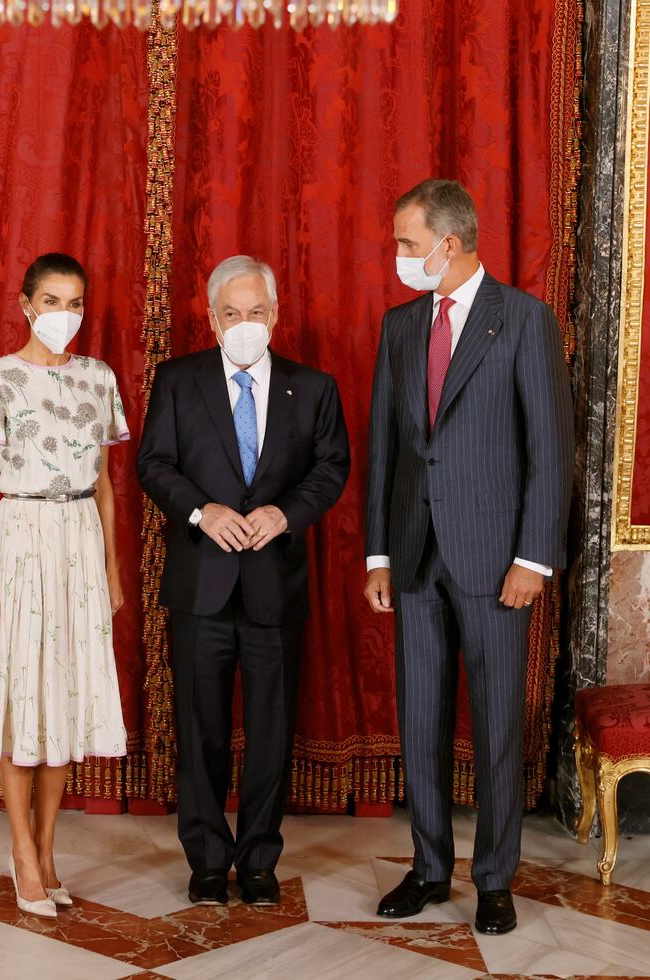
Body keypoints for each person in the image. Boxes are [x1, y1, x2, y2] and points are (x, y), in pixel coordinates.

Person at [364, 180, 573, 935]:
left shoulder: (523, 321)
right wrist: (379, 555)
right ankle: (427, 869)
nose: (399, 257)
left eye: (408, 245)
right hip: (415, 558)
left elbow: (550, 452)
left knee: (494, 729)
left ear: (449, 244)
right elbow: (385, 448)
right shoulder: (398, 327)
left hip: (496, 565)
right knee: (420, 722)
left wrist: (534, 559)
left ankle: (493, 879)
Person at [137, 255, 350, 907]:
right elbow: (154, 463)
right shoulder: (178, 381)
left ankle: (258, 858)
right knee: (199, 730)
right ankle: (206, 859)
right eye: (232, 313)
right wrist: (204, 511)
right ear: (211, 317)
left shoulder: (312, 388)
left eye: (257, 312)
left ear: (275, 314)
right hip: (202, 586)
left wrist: (287, 513)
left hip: (273, 588)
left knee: (270, 730)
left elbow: (331, 467)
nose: (245, 323)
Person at [0, 252, 129, 919]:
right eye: (51, 301)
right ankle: (21, 851)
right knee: (23, 691)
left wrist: (110, 569)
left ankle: (49, 851)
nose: (64, 314)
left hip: (80, 538)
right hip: (20, 540)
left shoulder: (97, 380)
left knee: (66, 696)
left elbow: (107, 486)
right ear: (25, 304)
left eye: (75, 302)